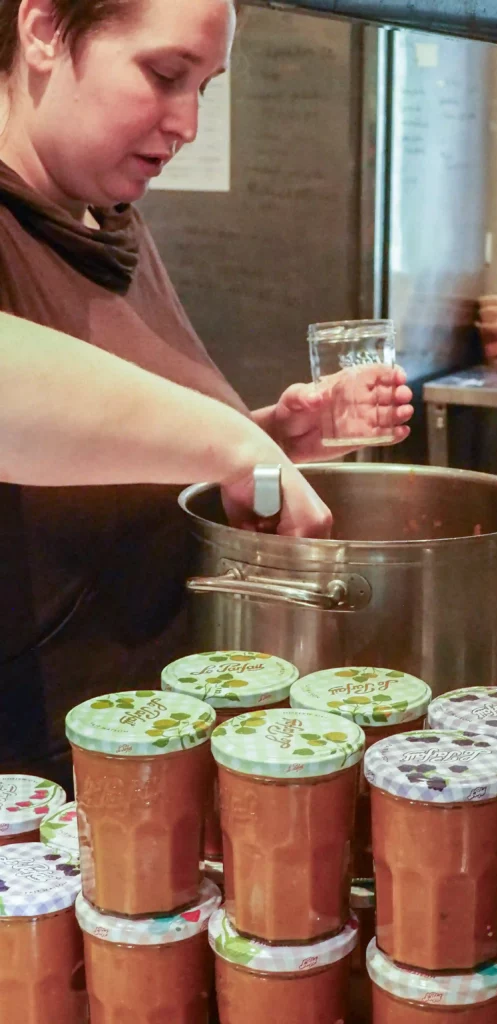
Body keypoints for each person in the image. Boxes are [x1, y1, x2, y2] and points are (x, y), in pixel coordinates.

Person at [0, 0, 413, 788]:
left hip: (156, 763)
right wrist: (225, 440)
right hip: (33, 807)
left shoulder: (108, 224)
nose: (187, 123)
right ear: (46, 29)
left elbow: (93, 464)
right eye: (164, 76)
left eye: (206, 88)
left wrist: (268, 443)